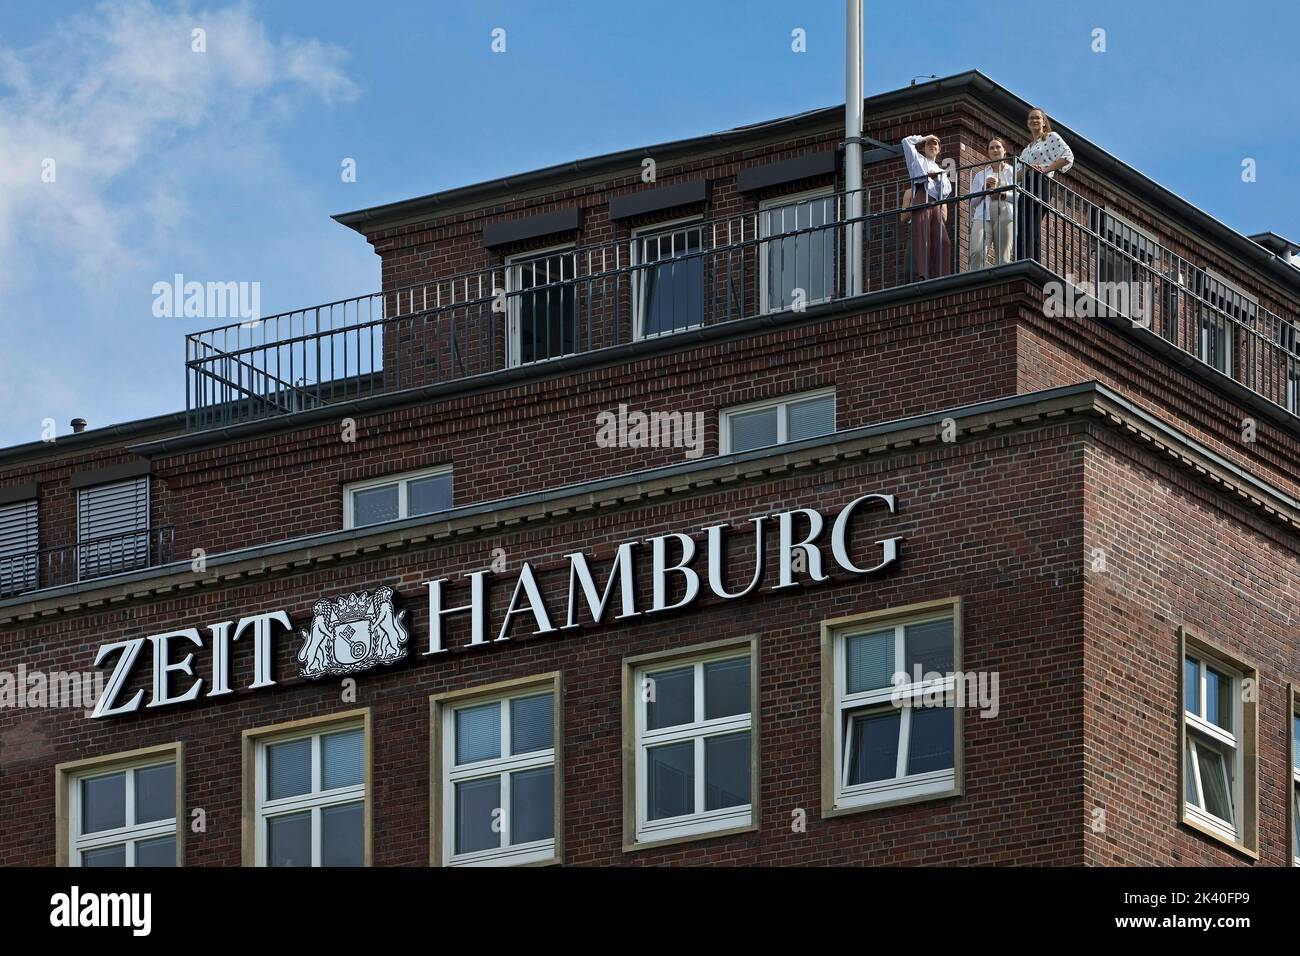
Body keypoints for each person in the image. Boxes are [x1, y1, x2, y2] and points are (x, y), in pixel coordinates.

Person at [1016, 107, 1074, 263]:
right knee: (1023, 223)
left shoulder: (1051, 137)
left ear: (1043, 122)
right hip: (1027, 183)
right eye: (1031, 118)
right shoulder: (1026, 150)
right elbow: (1017, 175)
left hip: (1041, 181)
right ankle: (1025, 258)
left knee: (1031, 221)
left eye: (1037, 118)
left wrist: (1045, 169)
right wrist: (1028, 168)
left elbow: (1068, 157)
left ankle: (1030, 259)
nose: (1034, 120)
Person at [901, 133, 953, 280]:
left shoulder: (941, 171)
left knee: (944, 241)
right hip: (921, 197)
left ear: (939, 149)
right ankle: (921, 274)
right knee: (921, 235)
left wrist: (937, 178)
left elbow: (946, 191)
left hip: (935, 203)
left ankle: (941, 275)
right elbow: (905, 141)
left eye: (935, 143)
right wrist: (924, 137)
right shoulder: (917, 159)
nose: (932, 145)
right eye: (929, 143)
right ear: (924, 147)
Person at [967, 138, 1015, 269]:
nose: (995, 150)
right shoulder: (981, 174)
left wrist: (1002, 195)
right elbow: (972, 202)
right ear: (988, 152)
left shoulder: (1013, 171)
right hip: (982, 216)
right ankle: (976, 285)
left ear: (1004, 150)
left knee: (1003, 258)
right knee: (977, 251)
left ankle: (1002, 286)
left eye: (998, 147)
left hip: (1005, 215)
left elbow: (1019, 196)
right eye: (991, 148)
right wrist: (983, 190)